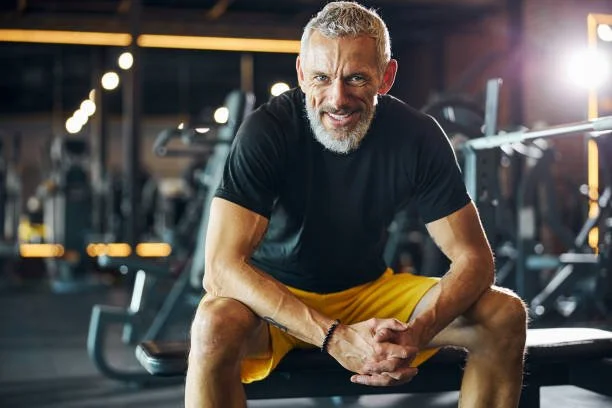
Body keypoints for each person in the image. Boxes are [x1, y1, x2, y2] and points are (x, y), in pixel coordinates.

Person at [185, 2, 527, 407]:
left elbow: (475, 260)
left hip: (369, 293)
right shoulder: (267, 130)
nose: (337, 98)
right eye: (321, 78)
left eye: (356, 79)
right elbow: (221, 270)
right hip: (277, 302)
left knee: (504, 315)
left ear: (386, 77)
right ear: (300, 74)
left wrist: (417, 331)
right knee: (213, 324)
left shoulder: (417, 136)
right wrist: (333, 337)